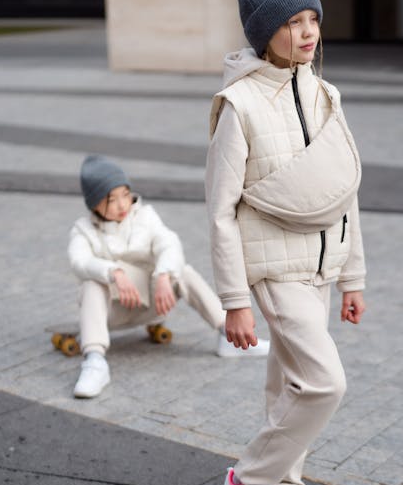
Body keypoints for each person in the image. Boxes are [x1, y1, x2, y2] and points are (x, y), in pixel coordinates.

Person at [205, 0, 366, 485]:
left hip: (323, 266)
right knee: (326, 384)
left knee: (289, 388)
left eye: (312, 19)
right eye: (292, 21)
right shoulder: (239, 106)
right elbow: (221, 210)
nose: (307, 31)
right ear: (263, 32)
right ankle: (245, 484)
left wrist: (354, 278)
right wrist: (233, 301)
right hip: (274, 270)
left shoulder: (327, 95)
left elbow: (342, 189)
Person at [68, 154, 269, 399]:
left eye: (125, 194)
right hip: (113, 312)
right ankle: (95, 361)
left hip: (155, 302)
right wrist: (114, 273)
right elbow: (79, 262)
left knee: (182, 270)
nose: (122, 205)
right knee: (91, 284)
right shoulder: (82, 230)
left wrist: (164, 275)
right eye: (111, 199)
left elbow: (169, 243)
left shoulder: (145, 216)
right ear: (94, 203)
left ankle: (229, 338)